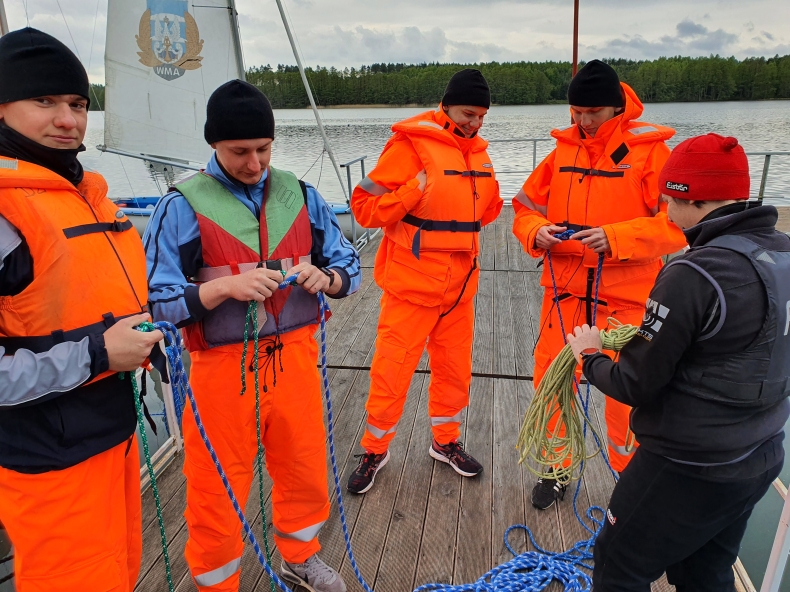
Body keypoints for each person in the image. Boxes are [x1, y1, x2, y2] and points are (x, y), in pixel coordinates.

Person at [145, 80, 360, 592]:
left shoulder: (303, 195)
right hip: (222, 371)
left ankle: (300, 557)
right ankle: (218, 582)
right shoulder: (179, 206)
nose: (254, 163)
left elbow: (348, 262)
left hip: (297, 359)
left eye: (264, 149)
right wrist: (223, 290)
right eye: (240, 152)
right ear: (213, 145)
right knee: (218, 488)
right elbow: (156, 301)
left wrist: (327, 279)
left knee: (305, 469)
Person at [567, 133, 790, 591]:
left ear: (693, 198)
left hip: (686, 465)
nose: (665, 212)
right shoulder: (784, 252)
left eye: (669, 198)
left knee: (617, 565)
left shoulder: (693, 273)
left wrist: (589, 356)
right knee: (704, 571)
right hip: (761, 453)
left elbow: (635, 382)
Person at [0, 28, 161, 591]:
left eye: (76, 103)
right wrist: (98, 354)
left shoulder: (89, 196)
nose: (66, 119)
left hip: (113, 441)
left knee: (117, 573)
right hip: (47, 462)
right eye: (43, 101)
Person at [511, 59, 687, 510]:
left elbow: (678, 225)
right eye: (577, 112)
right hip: (564, 297)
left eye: (594, 113)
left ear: (616, 108)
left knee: (627, 398)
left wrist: (617, 238)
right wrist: (535, 232)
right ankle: (557, 470)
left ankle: (631, 480)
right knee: (552, 387)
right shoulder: (561, 152)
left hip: (626, 305)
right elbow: (524, 206)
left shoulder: (650, 155)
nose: (584, 122)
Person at [347, 69, 503, 494]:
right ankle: (375, 449)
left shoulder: (479, 153)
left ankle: (446, 441)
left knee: (454, 371)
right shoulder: (410, 146)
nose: (475, 123)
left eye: (482, 116)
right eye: (469, 113)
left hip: (459, 290)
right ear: (447, 105)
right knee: (391, 373)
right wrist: (411, 194)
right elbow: (363, 208)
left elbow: (488, 210)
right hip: (411, 288)